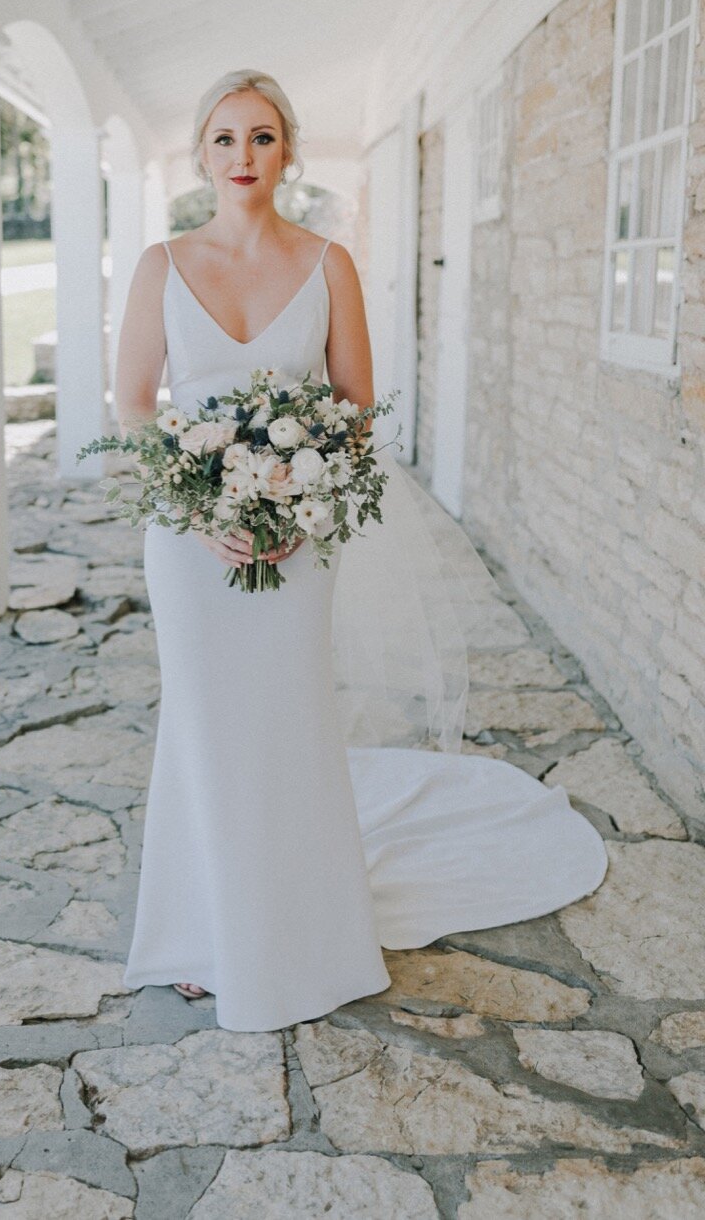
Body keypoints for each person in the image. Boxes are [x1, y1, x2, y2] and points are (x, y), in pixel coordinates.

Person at [109, 68, 608, 1032]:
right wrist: (193, 498)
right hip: (189, 537)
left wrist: (300, 498)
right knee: (207, 721)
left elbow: (352, 410)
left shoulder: (328, 263)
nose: (243, 157)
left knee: (290, 716)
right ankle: (203, 925)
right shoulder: (160, 267)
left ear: (287, 150)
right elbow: (134, 408)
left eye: (261, 138)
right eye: (224, 139)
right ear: (202, 155)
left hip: (300, 535)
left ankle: (303, 926)